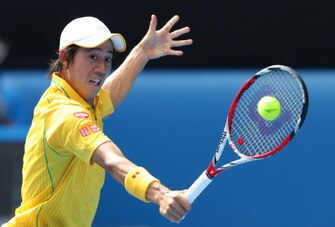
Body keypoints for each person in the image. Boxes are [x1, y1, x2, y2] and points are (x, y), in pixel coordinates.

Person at [3, 14, 193, 226]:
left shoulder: (81, 99)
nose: (102, 68)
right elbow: (112, 160)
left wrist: (141, 53)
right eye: (92, 57)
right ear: (65, 57)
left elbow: (109, 94)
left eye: (107, 58)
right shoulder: (64, 113)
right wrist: (160, 194)